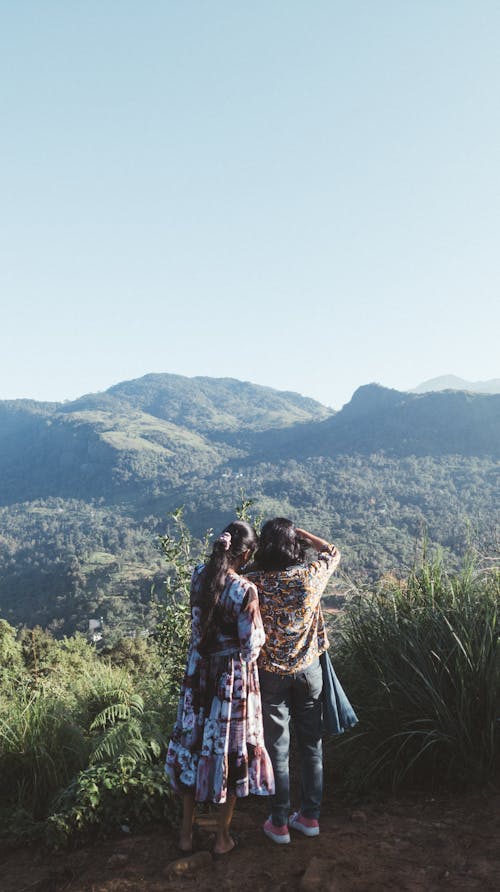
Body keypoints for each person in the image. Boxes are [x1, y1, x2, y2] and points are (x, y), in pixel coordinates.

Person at [165, 520, 274, 857]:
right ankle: (221, 838)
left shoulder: (200, 576)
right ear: (248, 554)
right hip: (230, 682)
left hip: (198, 675)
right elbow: (251, 645)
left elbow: (198, 625)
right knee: (230, 751)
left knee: (194, 747)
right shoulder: (244, 591)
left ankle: (185, 834)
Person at [247, 518, 341, 844]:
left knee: (278, 751)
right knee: (312, 747)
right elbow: (332, 551)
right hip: (308, 672)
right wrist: (302, 535)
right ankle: (310, 817)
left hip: (270, 674)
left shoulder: (252, 582)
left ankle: (279, 822)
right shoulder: (309, 577)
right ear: (294, 545)